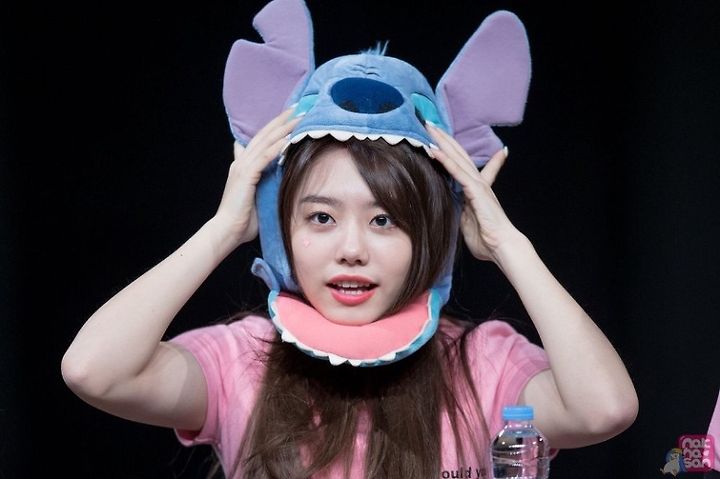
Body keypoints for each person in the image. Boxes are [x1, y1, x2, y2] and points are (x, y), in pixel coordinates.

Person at [61, 1, 639, 477]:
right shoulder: (243, 363)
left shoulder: (482, 364)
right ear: (281, 229)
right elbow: (93, 371)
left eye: (385, 220)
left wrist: (507, 243)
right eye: (321, 218)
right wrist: (222, 231)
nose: (352, 249)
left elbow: (605, 409)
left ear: (429, 234)